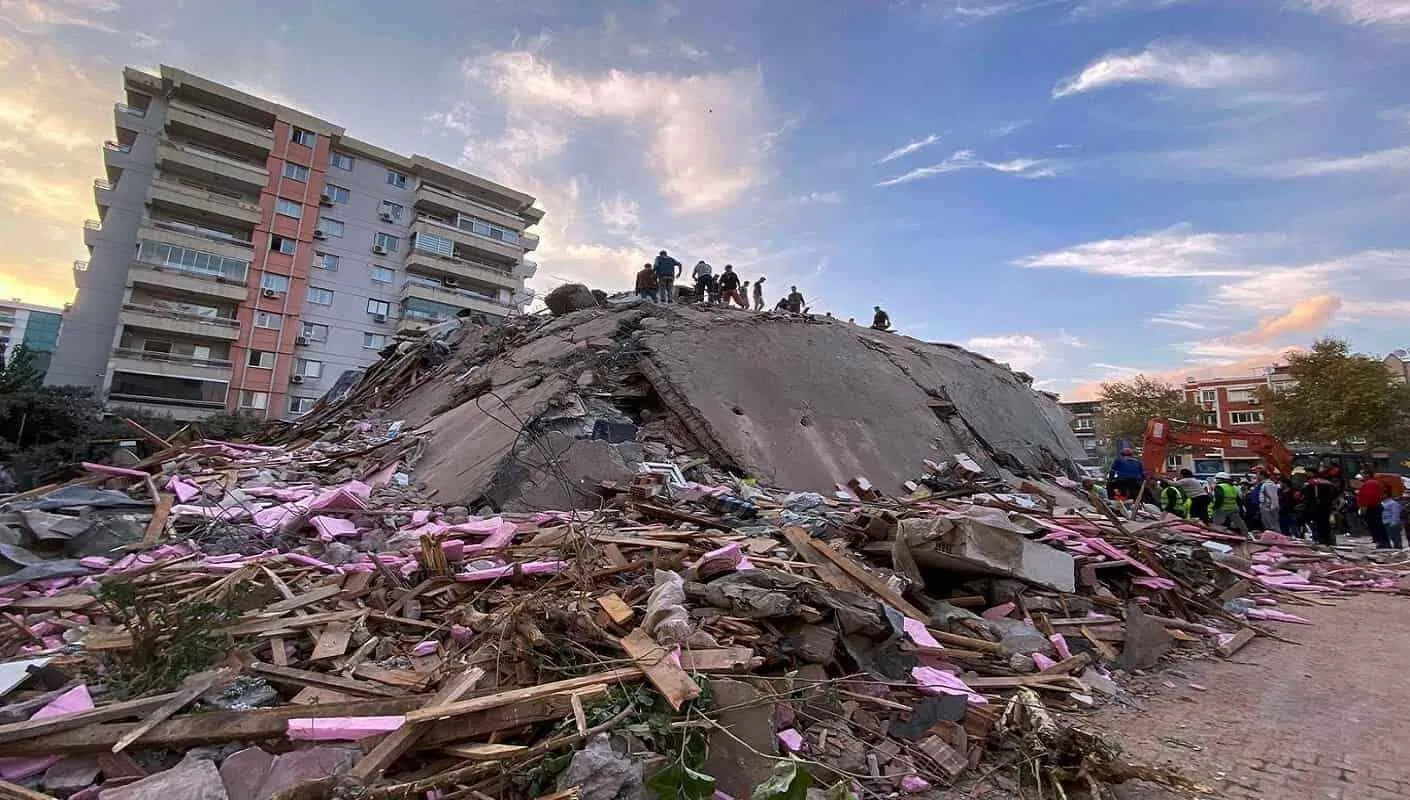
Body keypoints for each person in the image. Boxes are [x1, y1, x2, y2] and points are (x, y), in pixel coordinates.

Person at [1303, 470, 1339, 546]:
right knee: (1324, 525)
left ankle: (1323, 540)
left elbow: (1307, 497)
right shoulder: (1327, 485)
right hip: (1325, 508)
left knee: (1320, 525)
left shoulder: (1313, 485)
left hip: (1319, 508)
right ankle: (1326, 540)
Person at [1356, 472, 1389, 548]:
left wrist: (1363, 506)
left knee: (1375, 525)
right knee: (1378, 524)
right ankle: (1382, 541)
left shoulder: (1369, 484)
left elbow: (1367, 496)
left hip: (1372, 507)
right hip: (1375, 506)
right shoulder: (1374, 483)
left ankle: (1380, 541)